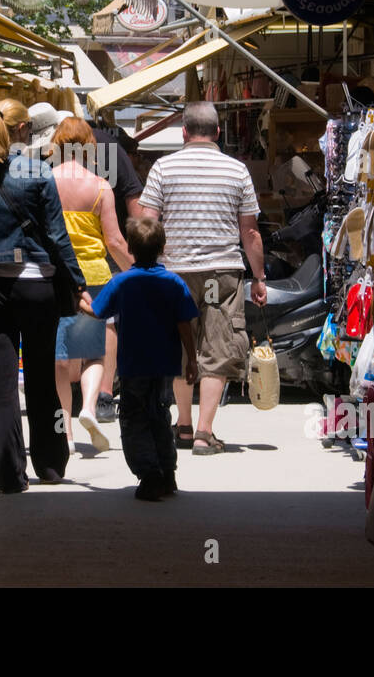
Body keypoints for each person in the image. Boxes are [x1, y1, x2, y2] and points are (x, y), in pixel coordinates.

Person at [0, 98, 88, 492]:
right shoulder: (39, 172)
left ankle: (8, 471)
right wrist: (78, 282)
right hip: (36, 286)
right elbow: (56, 236)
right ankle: (49, 465)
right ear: (23, 131)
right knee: (38, 377)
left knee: (0, 381)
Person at [138, 102, 267, 456]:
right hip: (220, 273)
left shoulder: (162, 168)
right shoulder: (237, 170)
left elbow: (149, 223)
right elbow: (250, 232)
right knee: (217, 347)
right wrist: (259, 277)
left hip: (174, 273)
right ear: (218, 132)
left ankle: (182, 423)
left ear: (184, 132)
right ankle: (203, 432)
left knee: (181, 346)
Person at [83, 217, 199, 500]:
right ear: (162, 247)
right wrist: (192, 361)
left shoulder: (122, 282)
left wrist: (80, 300)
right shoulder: (174, 283)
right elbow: (185, 325)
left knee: (135, 419)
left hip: (134, 366)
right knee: (160, 416)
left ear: (131, 250)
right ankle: (167, 472)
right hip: (165, 366)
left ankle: (149, 475)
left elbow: (98, 313)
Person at [47, 118, 133, 454]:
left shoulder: (44, 183)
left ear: (56, 144)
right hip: (94, 277)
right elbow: (113, 240)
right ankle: (89, 407)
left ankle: (64, 433)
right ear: (88, 146)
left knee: (58, 359)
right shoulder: (100, 187)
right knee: (94, 354)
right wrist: (138, 270)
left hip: (55, 277)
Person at [88, 118, 144, 424]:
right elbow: (135, 204)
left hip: (59, 248)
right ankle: (104, 395)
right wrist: (142, 253)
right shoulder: (111, 148)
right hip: (107, 249)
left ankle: (63, 391)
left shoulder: (48, 148)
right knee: (108, 319)